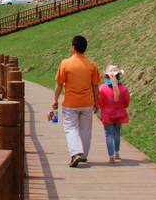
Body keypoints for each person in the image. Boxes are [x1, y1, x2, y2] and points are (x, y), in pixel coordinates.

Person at [53, 35, 101, 167]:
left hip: (70, 103)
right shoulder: (92, 65)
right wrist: (97, 102)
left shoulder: (65, 64)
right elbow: (95, 86)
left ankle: (76, 153)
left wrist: (55, 99)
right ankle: (84, 155)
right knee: (85, 129)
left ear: (73, 48)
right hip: (87, 103)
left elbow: (59, 84)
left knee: (71, 128)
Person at [98, 65, 130, 163]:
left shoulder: (102, 88)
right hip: (119, 112)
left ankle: (111, 156)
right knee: (117, 132)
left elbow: (100, 101)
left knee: (109, 134)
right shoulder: (123, 88)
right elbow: (126, 101)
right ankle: (117, 152)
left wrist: (100, 108)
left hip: (107, 113)